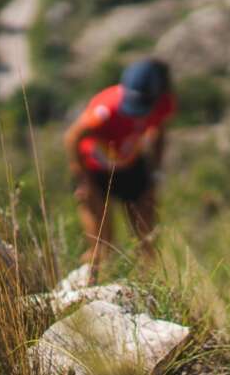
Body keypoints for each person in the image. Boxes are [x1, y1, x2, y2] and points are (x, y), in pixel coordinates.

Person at [64, 58, 174, 271]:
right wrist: (82, 179)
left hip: (130, 166)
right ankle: (92, 282)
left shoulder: (163, 104)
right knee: (102, 245)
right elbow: (72, 138)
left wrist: (155, 172)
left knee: (147, 238)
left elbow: (159, 130)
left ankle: (147, 281)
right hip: (94, 171)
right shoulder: (106, 109)